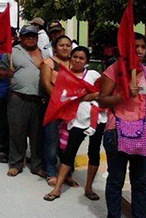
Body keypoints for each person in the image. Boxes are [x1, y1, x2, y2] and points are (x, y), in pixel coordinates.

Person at [99, 33, 146, 218]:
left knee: (140, 183)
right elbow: (102, 100)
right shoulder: (114, 70)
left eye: (143, 46)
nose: (138, 50)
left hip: (144, 134)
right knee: (116, 181)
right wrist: (122, 94)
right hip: (117, 131)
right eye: (134, 46)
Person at [44, 47, 106, 201]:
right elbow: (62, 98)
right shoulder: (64, 76)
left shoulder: (93, 75)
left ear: (87, 61)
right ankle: (57, 188)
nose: (78, 60)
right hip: (77, 120)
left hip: (97, 119)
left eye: (81, 58)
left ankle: (89, 188)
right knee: (69, 153)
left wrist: (90, 96)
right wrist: (85, 97)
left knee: (94, 152)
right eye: (75, 57)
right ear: (70, 58)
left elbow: (103, 93)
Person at [0, 25, 46, 177]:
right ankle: (16, 164)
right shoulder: (12, 52)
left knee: (37, 134)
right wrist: (7, 72)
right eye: (27, 36)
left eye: (33, 35)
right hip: (18, 97)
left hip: (39, 99)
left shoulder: (45, 53)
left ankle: (37, 165)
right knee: (16, 132)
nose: (30, 38)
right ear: (21, 37)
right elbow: (0, 71)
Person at [40, 35, 73, 185]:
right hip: (54, 107)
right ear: (54, 48)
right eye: (61, 45)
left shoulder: (75, 63)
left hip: (71, 108)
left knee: (69, 141)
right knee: (52, 140)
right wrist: (61, 100)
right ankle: (51, 171)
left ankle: (67, 172)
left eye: (68, 45)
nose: (65, 48)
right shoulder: (49, 63)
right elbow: (47, 84)